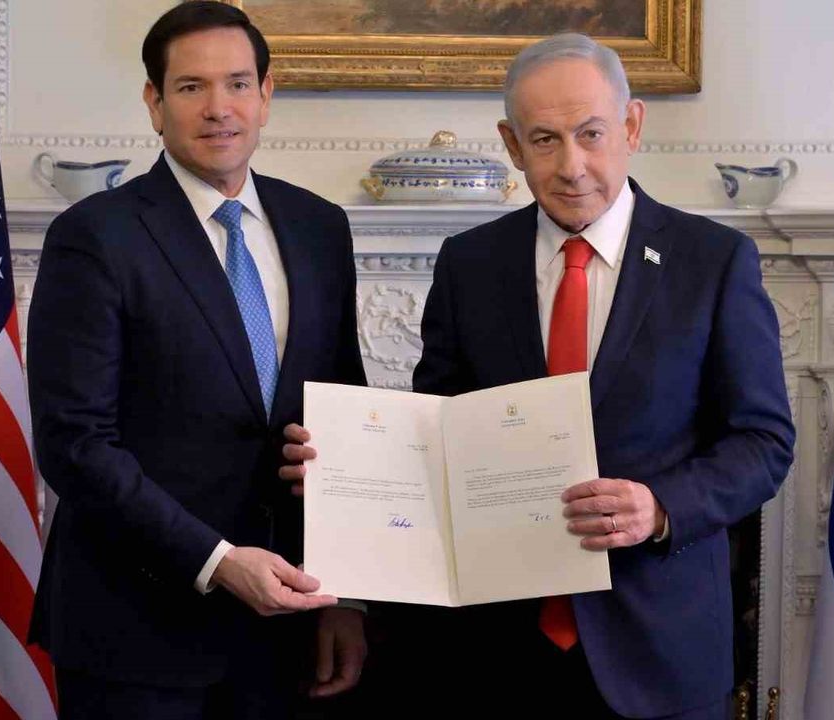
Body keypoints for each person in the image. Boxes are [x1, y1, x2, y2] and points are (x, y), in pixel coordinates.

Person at [282, 33, 794, 719]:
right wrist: (346, 465)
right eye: (545, 140)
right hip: (498, 654)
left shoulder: (714, 261)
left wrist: (660, 507)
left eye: (591, 134)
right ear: (513, 145)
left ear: (632, 126)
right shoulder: (470, 264)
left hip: (660, 651)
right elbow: (436, 437)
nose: (572, 166)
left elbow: (763, 442)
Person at [26, 3, 367, 717]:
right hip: (137, 632)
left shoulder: (320, 228)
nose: (219, 108)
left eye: (238, 84)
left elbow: (346, 417)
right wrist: (218, 561)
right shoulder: (94, 236)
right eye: (191, 87)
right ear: (155, 103)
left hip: (288, 631)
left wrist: (350, 596)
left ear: (266, 95)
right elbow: (75, 444)